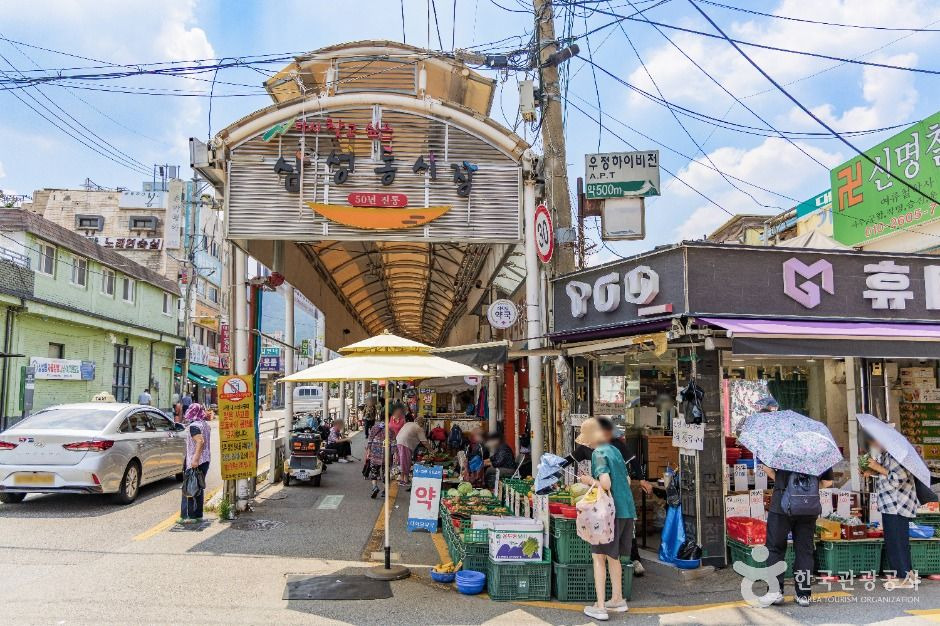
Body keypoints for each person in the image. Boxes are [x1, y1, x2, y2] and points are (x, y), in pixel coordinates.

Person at [576, 417, 635, 621]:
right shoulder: (615, 450)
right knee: (613, 557)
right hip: (626, 510)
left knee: (598, 557)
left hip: (608, 514)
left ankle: (600, 606)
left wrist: (588, 480)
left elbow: (606, 483)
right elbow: (627, 480)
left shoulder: (599, 453)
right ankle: (617, 599)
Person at [759, 463, 833, 607]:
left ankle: (775, 592)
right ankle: (803, 595)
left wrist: (785, 484)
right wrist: (806, 490)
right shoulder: (817, 452)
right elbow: (827, 482)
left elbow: (766, 468)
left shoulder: (781, 450)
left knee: (775, 548)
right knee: (805, 551)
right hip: (808, 506)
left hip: (781, 505)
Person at [863, 439, 918, 589]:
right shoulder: (887, 455)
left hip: (897, 505)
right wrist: (872, 471)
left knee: (896, 542)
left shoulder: (896, 455)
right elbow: (886, 475)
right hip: (890, 504)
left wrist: (877, 467)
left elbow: (898, 479)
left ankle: (903, 578)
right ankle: (909, 575)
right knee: (898, 541)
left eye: (874, 441)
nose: (872, 444)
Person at [180, 403, 211, 523]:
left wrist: (195, 459)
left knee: (190, 487)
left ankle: (189, 516)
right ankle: (198, 515)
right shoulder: (205, 424)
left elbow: (200, 441)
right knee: (198, 487)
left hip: (196, 461)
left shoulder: (194, 426)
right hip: (205, 460)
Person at [395, 415, 429, 489]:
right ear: (422, 423)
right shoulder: (418, 428)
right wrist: (431, 450)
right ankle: (404, 480)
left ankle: (402, 478)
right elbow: (424, 442)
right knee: (406, 461)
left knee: (402, 460)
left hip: (398, 441)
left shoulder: (408, 423)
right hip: (405, 443)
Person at [365, 419, 394, 499]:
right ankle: (385, 491)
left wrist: (368, 451)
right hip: (386, 455)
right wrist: (394, 454)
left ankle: (375, 487)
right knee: (386, 473)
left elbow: (370, 440)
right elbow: (393, 443)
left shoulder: (374, 428)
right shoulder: (390, 429)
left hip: (375, 454)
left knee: (374, 471)